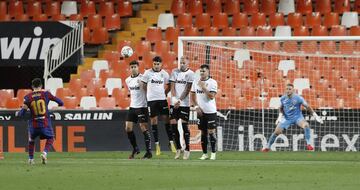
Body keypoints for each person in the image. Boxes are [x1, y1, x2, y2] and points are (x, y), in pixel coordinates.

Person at [262, 83, 323, 152]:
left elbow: (307, 107)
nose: (288, 90)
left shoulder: (298, 98)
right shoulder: (283, 98)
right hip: (287, 118)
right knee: (276, 132)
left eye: (289, 89)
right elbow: (281, 108)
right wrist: (279, 116)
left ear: (293, 90)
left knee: (306, 125)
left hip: (298, 118)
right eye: (287, 89)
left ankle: (308, 144)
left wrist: (315, 116)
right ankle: (268, 147)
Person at [15, 78, 63, 165]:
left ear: (32, 86)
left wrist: (18, 113)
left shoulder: (27, 97)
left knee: (31, 140)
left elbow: (22, 113)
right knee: (51, 138)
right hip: (45, 122)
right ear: (41, 86)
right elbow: (61, 102)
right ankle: (44, 153)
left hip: (33, 124)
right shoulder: (46, 94)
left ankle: (30, 159)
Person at [141, 56, 176, 155]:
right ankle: (157, 144)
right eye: (155, 64)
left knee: (167, 119)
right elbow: (143, 85)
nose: (156, 66)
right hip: (151, 101)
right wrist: (149, 94)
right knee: (153, 121)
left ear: (161, 64)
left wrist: (164, 93)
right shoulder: (147, 73)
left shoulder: (164, 74)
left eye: (158, 64)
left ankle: (171, 142)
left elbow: (169, 85)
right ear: (153, 64)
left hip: (162, 100)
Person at [125, 60, 152, 159]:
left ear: (138, 67)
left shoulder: (142, 78)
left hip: (142, 107)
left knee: (143, 128)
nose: (133, 69)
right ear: (129, 68)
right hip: (132, 107)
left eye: (135, 67)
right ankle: (135, 148)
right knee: (128, 128)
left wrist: (143, 85)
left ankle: (149, 152)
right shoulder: (127, 80)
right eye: (131, 67)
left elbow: (147, 91)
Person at [190, 64, 218, 160]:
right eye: (201, 71)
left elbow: (211, 96)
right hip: (200, 112)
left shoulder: (213, 82)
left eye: (204, 71)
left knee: (211, 132)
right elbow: (192, 96)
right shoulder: (195, 82)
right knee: (203, 133)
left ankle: (213, 153)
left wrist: (204, 88)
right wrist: (196, 107)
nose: (202, 73)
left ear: (208, 72)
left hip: (211, 112)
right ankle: (205, 154)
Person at [169, 57, 194, 160]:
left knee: (184, 127)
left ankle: (187, 149)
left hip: (184, 104)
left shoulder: (190, 74)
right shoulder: (174, 71)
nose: (182, 64)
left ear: (188, 63)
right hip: (174, 103)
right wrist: (174, 99)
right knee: (173, 126)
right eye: (181, 62)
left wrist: (179, 100)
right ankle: (178, 148)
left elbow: (187, 89)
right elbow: (172, 87)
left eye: (184, 63)